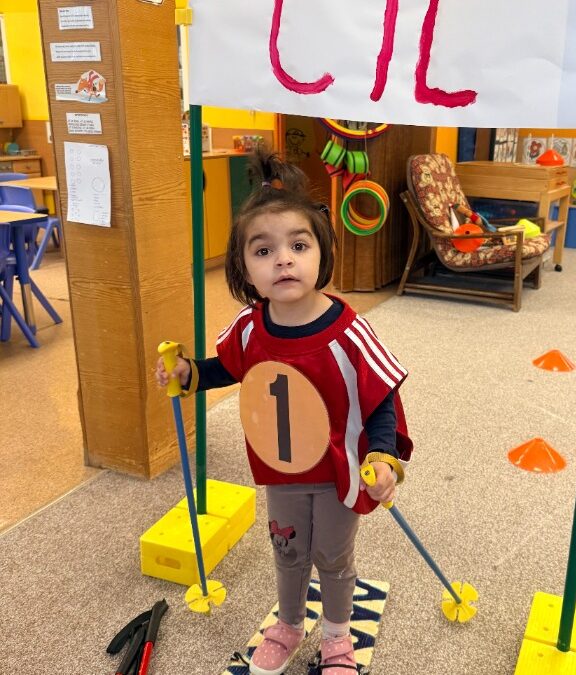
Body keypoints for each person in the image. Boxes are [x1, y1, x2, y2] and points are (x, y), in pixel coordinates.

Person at [156, 153, 412, 675]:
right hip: (282, 471)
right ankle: (290, 625)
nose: (283, 261)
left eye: (298, 245)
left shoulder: (348, 331)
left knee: (333, 558)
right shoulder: (250, 328)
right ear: (243, 268)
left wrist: (384, 455)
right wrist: (189, 373)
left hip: (340, 472)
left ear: (322, 252)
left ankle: (337, 639)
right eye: (263, 250)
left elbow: (380, 395)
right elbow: (226, 368)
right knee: (288, 551)